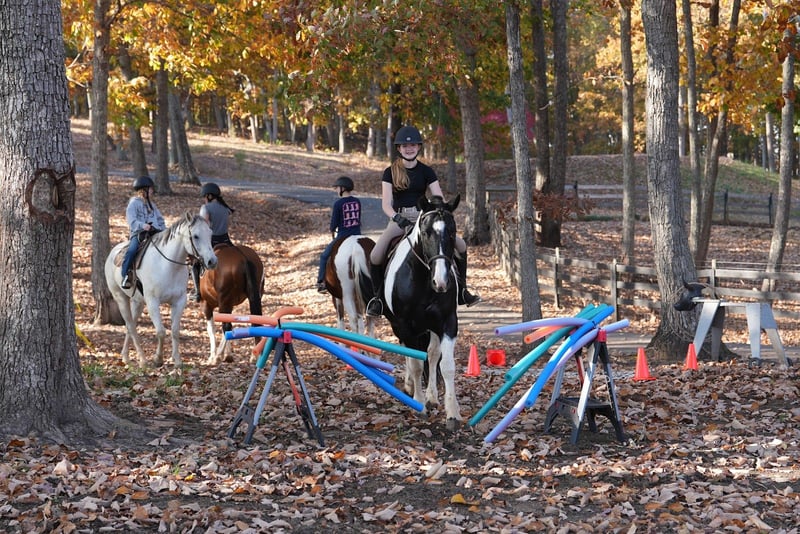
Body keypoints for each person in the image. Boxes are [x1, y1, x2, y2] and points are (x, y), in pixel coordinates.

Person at [366, 125, 480, 317]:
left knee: (461, 245)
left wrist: (441, 210)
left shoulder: (427, 171)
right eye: (405, 146)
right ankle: (378, 299)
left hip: (424, 218)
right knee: (376, 255)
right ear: (399, 148)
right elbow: (386, 204)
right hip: (399, 219)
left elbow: (438, 197)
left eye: (412, 145)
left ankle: (462, 291)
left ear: (418, 147)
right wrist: (397, 218)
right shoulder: (390, 172)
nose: (409, 149)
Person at [189, 182, 235, 301]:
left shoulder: (206, 208)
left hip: (212, 241)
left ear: (209, 196)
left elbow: (203, 226)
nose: (204, 199)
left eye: (205, 197)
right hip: (226, 240)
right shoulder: (225, 208)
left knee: (195, 263)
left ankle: (197, 292)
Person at [316, 176, 362, 292]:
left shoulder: (338, 204)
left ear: (342, 188)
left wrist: (332, 229)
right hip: (358, 234)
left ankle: (321, 282)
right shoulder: (357, 201)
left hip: (343, 235)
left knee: (324, 256)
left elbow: (334, 224)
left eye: (337, 188)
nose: (336, 190)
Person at [120, 176, 166, 289]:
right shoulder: (133, 204)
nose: (152, 191)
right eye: (150, 189)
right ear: (143, 190)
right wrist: (142, 225)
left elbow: (160, 219)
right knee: (132, 251)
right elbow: (132, 221)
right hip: (139, 234)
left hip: (155, 233)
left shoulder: (152, 205)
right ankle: (125, 275)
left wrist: (164, 230)